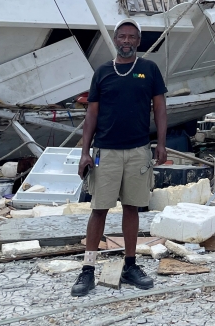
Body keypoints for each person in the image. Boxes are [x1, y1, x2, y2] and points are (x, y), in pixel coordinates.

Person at [71, 19, 167, 296]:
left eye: (132, 37)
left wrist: (160, 144)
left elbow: (160, 109)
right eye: (122, 36)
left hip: (138, 150)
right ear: (115, 40)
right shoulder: (102, 72)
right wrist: (84, 152)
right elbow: (91, 114)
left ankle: (130, 265)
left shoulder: (149, 70)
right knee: (98, 209)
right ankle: (87, 269)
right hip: (106, 151)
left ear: (138, 41)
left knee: (132, 207)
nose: (126, 41)